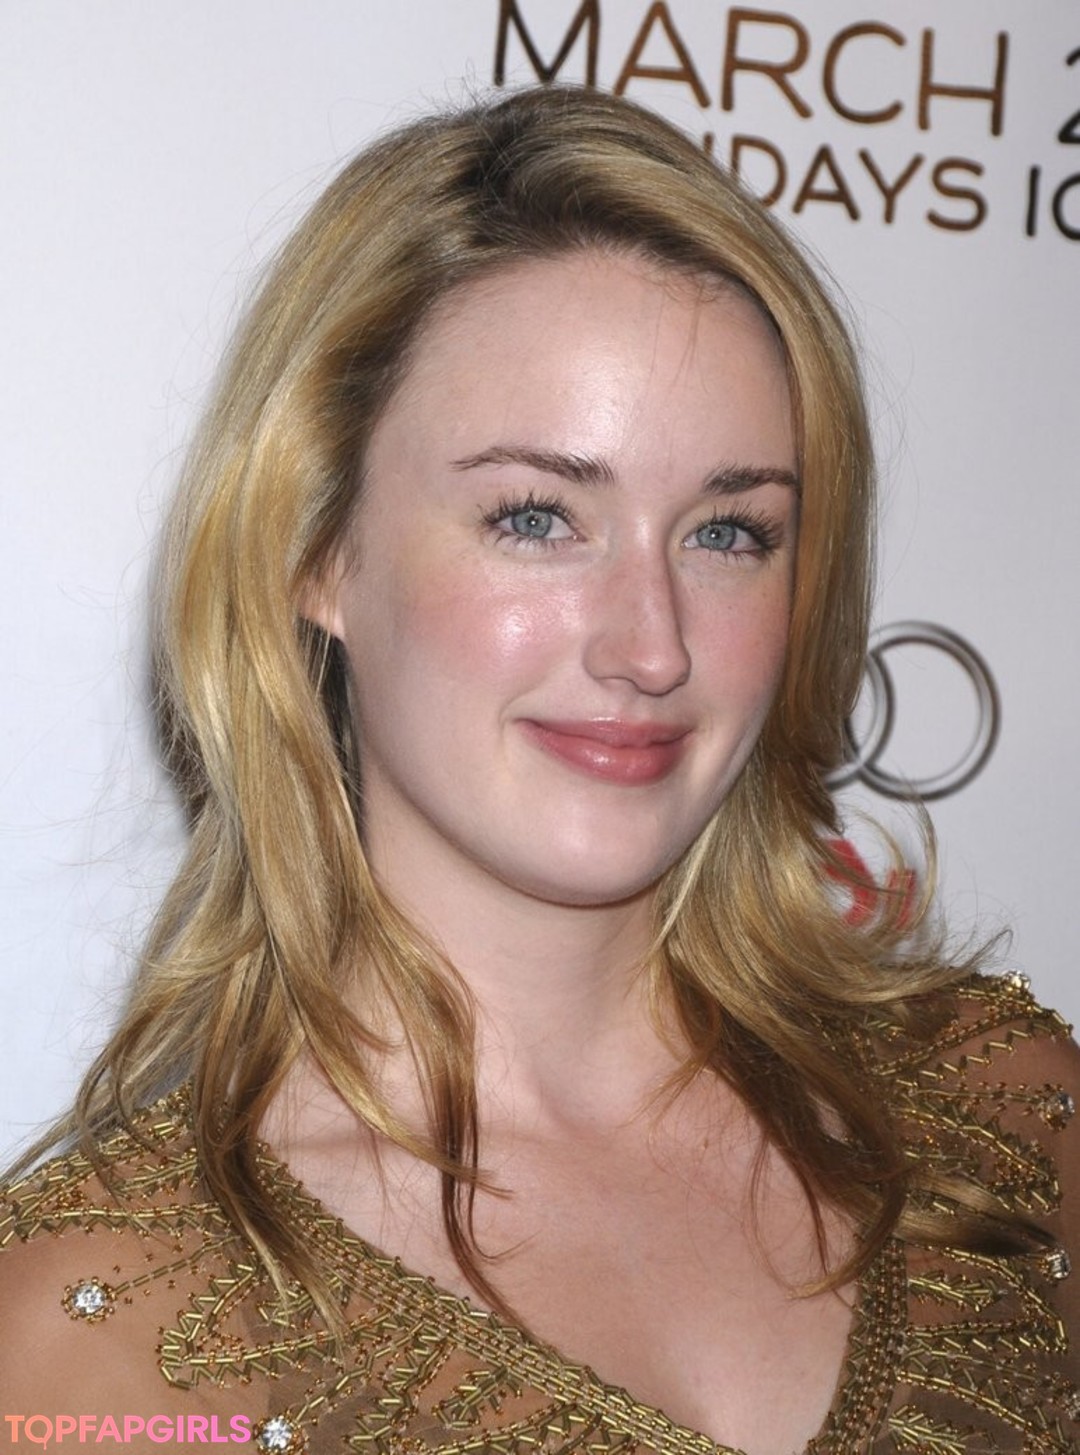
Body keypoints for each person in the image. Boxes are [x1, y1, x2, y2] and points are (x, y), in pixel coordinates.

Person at [1, 84, 1077, 1455]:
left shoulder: (1004, 1117)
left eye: (730, 532)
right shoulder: (113, 1329)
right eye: (536, 517)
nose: (653, 646)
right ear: (317, 551)